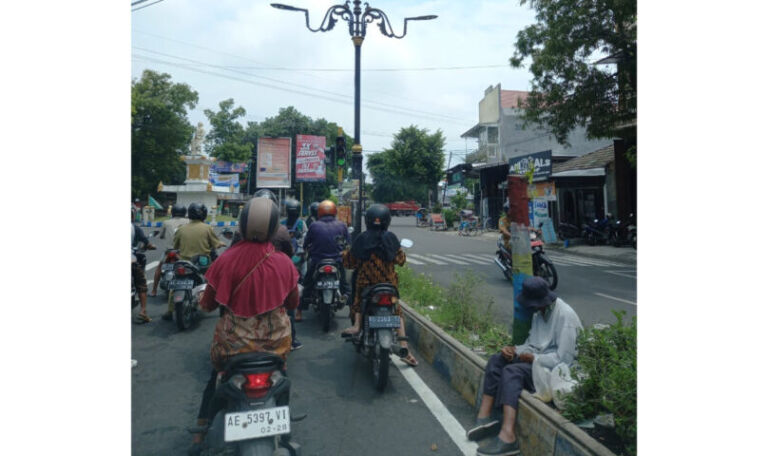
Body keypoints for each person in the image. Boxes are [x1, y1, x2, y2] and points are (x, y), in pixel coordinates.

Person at [189, 197, 299, 453]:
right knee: (282, 376)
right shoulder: (283, 261)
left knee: (214, 378)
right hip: (276, 345)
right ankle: (284, 426)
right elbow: (293, 302)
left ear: (242, 224)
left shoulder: (226, 260)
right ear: (274, 227)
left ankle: (200, 430)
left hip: (233, 347)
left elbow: (207, 305)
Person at [467, 277, 582, 456]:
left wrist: (534, 357)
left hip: (551, 372)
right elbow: (532, 343)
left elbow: (564, 360)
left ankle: (508, 436)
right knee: (497, 360)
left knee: (512, 372)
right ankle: (484, 417)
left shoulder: (565, 316)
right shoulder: (539, 312)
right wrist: (515, 350)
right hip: (535, 362)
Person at [340, 204, 418, 367]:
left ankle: (356, 326)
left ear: (368, 220)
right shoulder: (391, 238)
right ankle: (404, 347)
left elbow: (349, 263)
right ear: (387, 220)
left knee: (358, 300)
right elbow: (401, 260)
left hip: (366, 284)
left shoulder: (361, 238)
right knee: (397, 311)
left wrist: (345, 253)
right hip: (389, 285)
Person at [162, 203, 226, 321]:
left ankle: (170, 310)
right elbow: (216, 244)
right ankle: (222, 305)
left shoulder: (181, 229)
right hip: (202, 263)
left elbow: (175, 245)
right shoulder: (207, 228)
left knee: (175, 282)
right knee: (217, 280)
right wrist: (221, 243)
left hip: (184, 262)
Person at [303, 199, 350, 309]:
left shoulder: (314, 225)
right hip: (337, 261)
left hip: (317, 260)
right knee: (344, 284)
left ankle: (300, 311)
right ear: (335, 211)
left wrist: (306, 249)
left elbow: (306, 243)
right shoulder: (342, 225)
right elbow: (348, 243)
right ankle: (351, 308)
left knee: (307, 282)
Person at [148, 204, 189, 297]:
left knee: (159, 268)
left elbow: (161, 235)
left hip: (170, 251)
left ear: (173, 212)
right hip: (183, 251)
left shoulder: (166, 222)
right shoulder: (189, 222)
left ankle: (154, 290)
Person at [132, 209, 156, 323]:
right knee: (141, 284)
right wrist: (150, 246)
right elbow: (146, 243)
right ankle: (143, 311)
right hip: (131, 259)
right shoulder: (134, 228)